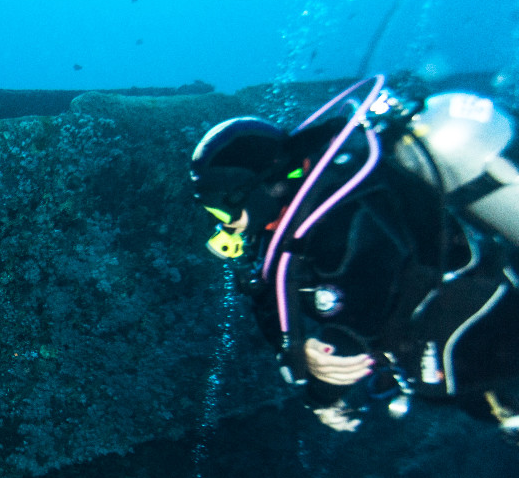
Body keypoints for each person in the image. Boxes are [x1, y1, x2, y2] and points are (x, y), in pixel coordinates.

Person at [189, 75, 519, 436]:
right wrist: (301, 355)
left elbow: (356, 324)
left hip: (490, 330)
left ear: (257, 191)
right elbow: (272, 295)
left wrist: (322, 394)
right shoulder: (301, 206)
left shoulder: (338, 220)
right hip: (470, 339)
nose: (222, 224)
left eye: (221, 210)